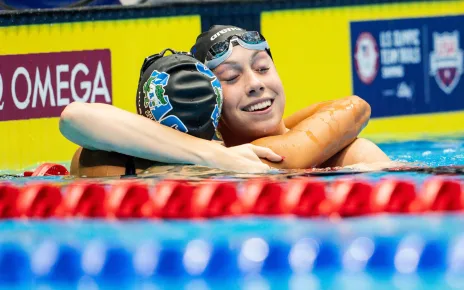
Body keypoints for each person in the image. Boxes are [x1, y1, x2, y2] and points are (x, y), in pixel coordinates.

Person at [60, 26, 390, 176]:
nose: (256, 85)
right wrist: (216, 156)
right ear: (210, 99)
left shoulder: (344, 153)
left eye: (263, 68)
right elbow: (76, 118)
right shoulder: (151, 160)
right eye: (231, 78)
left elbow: (354, 106)